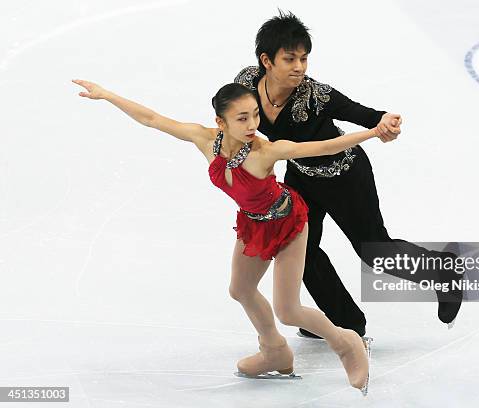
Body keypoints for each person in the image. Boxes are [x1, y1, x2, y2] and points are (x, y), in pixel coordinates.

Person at [72, 79, 389, 395]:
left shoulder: (265, 150)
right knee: (241, 289)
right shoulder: (204, 139)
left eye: (255, 115)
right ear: (220, 122)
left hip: (288, 222)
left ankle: (347, 344)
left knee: (288, 310)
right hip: (254, 223)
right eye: (243, 118)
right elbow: (152, 119)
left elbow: (322, 147)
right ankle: (274, 350)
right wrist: (107, 95)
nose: (253, 124)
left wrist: (374, 130)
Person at [234, 11, 463, 339]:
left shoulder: (316, 96)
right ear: (266, 60)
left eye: (304, 58)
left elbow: (364, 114)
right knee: (301, 250)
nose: (299, 66)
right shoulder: (246, 84)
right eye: (290, 59)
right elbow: (232, 112)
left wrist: (385, 122)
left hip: (345, 177)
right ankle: (345, 321)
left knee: (374, 251)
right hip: (301, 176)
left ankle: (443, 271)